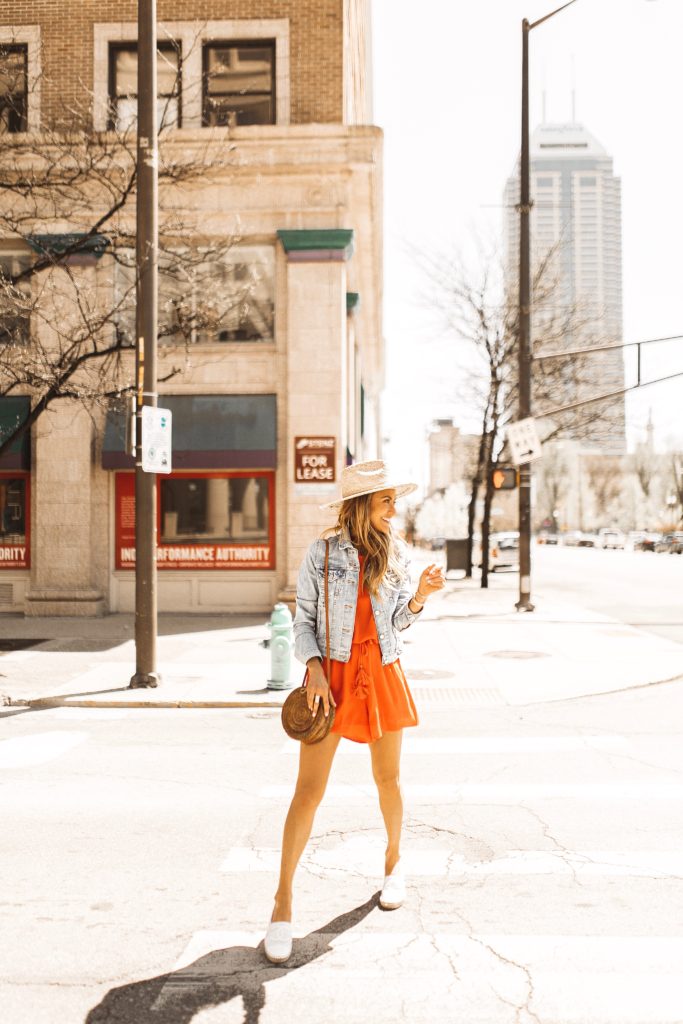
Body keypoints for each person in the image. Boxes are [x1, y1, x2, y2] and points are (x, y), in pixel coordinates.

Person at [264, 460, 445, 963]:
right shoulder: (322, 552)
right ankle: (282, 902)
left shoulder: (398, 553)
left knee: (389, 779)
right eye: (386, 500)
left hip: (382, 672)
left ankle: (393, 862)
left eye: (394, 500)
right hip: (333, 676)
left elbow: (398, 623)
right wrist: (316, 667)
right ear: (362, 504)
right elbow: (303, 622)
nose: (394, 509)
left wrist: (421, 599)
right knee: (308, 791)